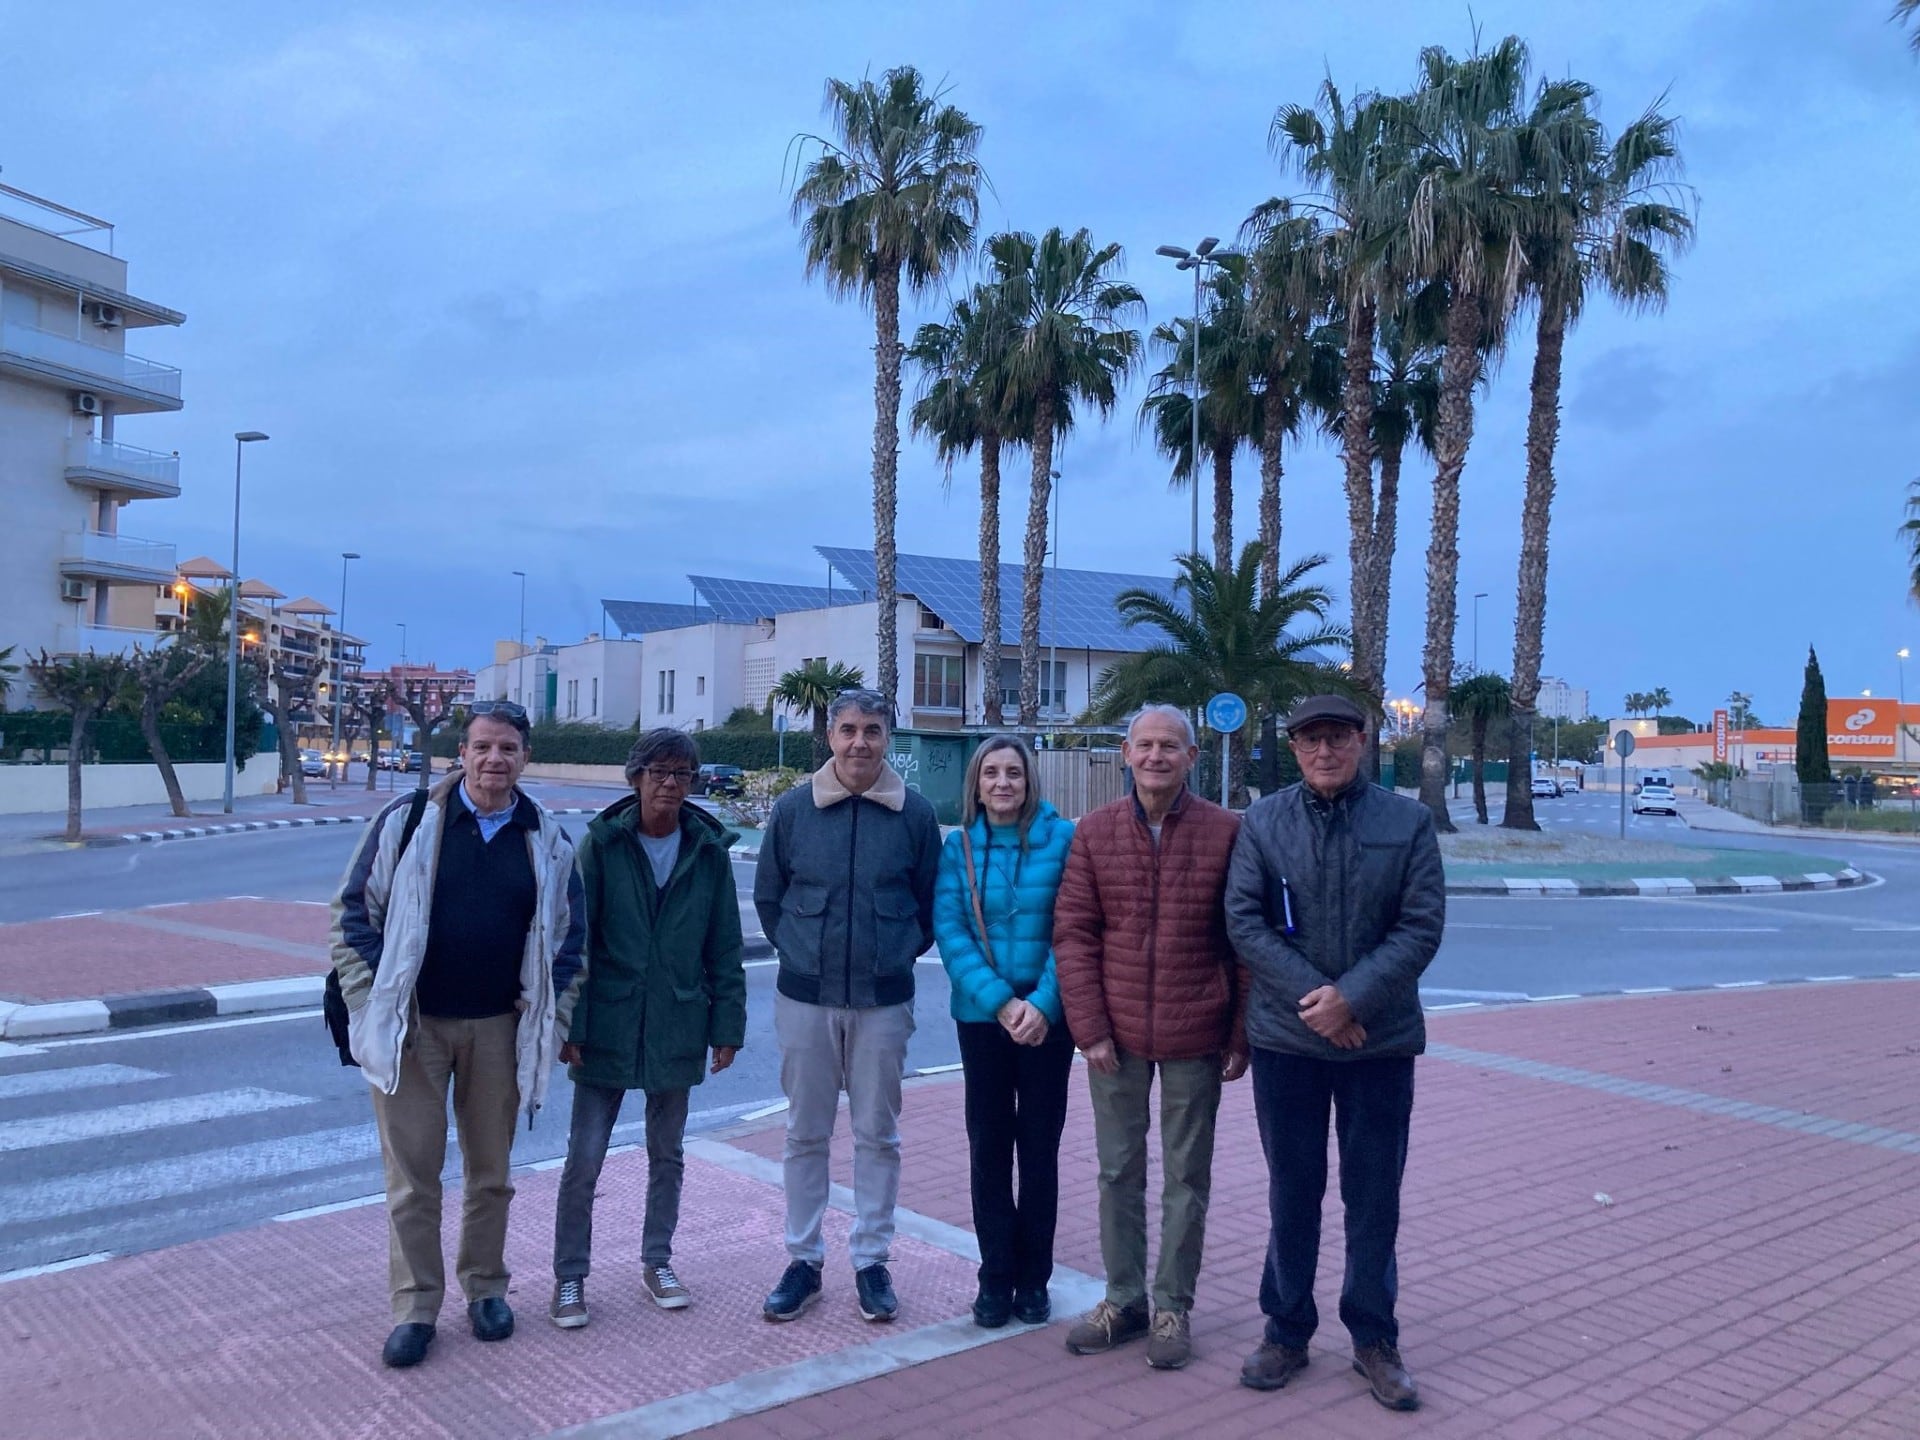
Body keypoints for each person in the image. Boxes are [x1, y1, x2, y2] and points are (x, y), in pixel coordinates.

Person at [330, 700, 586, 1369]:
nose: (495, 760)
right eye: (482, 747)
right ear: (462, 755)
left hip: (500, 1029)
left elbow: (569, 939)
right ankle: (415, 1306)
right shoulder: (410, 823)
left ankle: (485, 1290)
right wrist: (372, 1006)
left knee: (491, 1175)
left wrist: (551, 1018)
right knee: (413, 1178)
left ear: (524, 757)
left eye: (508, 748)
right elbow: (353, 912)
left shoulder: (548, 838)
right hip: (414, 1028)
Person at [1224, 693, 1444, 1412]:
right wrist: (1322, 1003)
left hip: (1379, 1044)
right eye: (1312, 739)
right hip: (1289, 1041)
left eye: (1338, 738)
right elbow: (1246, 922)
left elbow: (1420, 927)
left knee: (1373, 1196)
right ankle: (1286, 1329)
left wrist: (1355, 999)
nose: (1325, 751)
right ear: (1294, 747)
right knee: (1293, 1191)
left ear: (1362, 740)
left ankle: (1374, 1339)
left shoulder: (1406, 822)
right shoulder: (1262, 822)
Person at [1053, 703, 1246, 1372]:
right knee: (1117, 1172)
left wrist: (1239, 1031)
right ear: (1127, 754)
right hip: (1116, 1038)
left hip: (1197, 1029)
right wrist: (1090, 1030)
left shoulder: (1226, 833)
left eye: (1171, 745)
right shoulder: (1095, 833)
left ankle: (1173, 1305)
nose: (1157, 756)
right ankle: (1125, 1299)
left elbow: (1242, 940)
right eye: (1146, 745)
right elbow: (1074, 937)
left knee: (1187, 1176)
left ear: (1192, 758)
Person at [753, 689, 942, 1325]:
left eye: (872, 730)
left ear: (889, 736)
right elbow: (770, 899)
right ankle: (803, 1260)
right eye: (848, 730)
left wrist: (894, 956)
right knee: (804, 1134)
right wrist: (802, 955)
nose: (860, 742)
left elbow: (927, 906)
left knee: (877, 1135)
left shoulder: (914, 814)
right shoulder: (792, 810)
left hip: (884, 1001)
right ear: (830, 737)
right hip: (804, 997)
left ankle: (871, 1261)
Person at [549, 728, 747, 1329]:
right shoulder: (602, 845)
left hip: (678, 1020)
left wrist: (727, 1026)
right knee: (584, 1159)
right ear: (634, 777)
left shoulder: (708, 851)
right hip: (607, 1020)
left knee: (668, 1154)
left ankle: (657, 1261)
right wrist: (571, 1023)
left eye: (682, 774)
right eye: (658, 772)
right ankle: (569, 1278)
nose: (670, 784)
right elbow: (574, 942)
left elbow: (725, 947)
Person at [933, 734, 1076, 1329]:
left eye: (1013, 773)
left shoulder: (1064, 840)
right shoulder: (958, 847)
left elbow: (1074, 928)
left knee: (1039, 1151)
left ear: (1029, 779)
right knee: (989, 1149)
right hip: (983, 1020)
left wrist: (1041, 1003)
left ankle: (1033, 1280)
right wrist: (1000, 1003)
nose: (1002, 784)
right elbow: (951, 928)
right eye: (990, 773)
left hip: (1048, 1022)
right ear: (976, 783)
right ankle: (994, 1279)